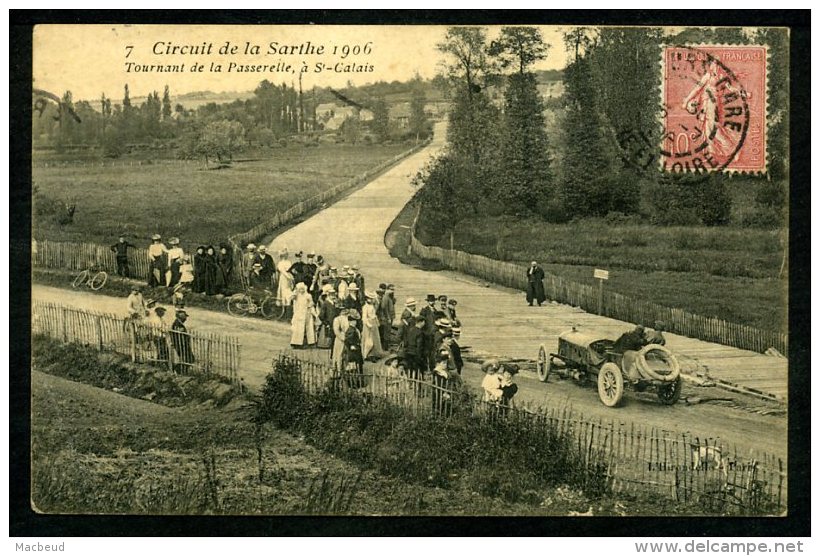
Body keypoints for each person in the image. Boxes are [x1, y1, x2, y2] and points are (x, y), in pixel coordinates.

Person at [290, 283, 317, 349]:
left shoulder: (308, 295)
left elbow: (312, 303)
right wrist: (295, 291)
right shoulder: (297, 295)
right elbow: (291, 298)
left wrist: (309, 305)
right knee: (298, 329)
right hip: (298, 314)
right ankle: (296, 343)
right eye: (300, 289)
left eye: (302, 289)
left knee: (308, 328)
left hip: (306, 313)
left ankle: (310, 342)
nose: (301, 291)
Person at [343, 309, 364, 387]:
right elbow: (347, 340)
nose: (354, 323)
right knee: (354, 367)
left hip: (357, 350)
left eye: (355, 321)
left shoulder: (355, 329)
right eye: (352, 321)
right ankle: (354, 383)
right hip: (353, 352)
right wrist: (352, 346)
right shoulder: (350, 330)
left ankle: (358, 383)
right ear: (349, 322)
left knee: (358, 366)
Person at [361, 290, 384, 362]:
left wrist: (377, 322)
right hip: (368, 324)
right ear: (366, 298)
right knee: (369, 339)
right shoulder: (365, 307)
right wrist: (368, 324)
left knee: (375, 339)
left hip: (373, 323)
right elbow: (364, 317)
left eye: (371, 299)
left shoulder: (372, 306)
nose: (370, 300)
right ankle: (368, 354)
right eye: (369, 298)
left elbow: (374, 315)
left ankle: (375, 353)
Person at [170, 309, 194, 374]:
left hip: (181, 344)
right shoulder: (177, 324)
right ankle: (178, 369)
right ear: (181, 317)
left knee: (188, 359)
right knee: (189, 359)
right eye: (185, 317)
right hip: (181, 345)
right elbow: (179, 335)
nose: (186, 319)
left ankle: (181, 370)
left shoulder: (177, 323)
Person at [419, 294, 438, 372]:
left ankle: (432, 367)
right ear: (428, 302)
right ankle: (425, 368)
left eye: (433, 301)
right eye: (430, 301)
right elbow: (421, 322)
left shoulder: (436, 311)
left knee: (432, 353)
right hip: (426, 335)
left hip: (433, 335)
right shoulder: (424, 311)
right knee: (426, 352)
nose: (431, 302)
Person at [317, 284, 338, 353]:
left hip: (334, 321)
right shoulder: (326, 303)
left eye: (334, 294)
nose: (333, 296)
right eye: (331, 295)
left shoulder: (335, 303)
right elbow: (321, 315)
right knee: (327, 334)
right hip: (328, 322)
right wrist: (325, 322)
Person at [377, 284, 394, 351]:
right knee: (386, 332)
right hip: (387, 318)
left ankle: (386, 346)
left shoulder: (389, 297)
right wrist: (388, 317)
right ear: (387, 290)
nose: (392, 291)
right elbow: (384, 307)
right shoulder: (386, 297)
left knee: (388, 331)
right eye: (391, 290)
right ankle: (385, 347)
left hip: (389, 316)